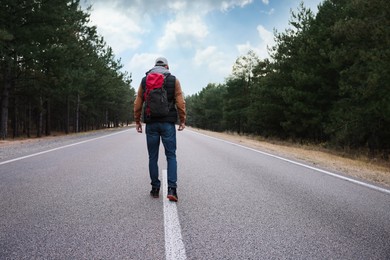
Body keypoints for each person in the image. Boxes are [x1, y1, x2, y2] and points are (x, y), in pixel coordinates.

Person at [133, 57, 186, 202]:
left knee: (152, 157)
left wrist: (137, 121)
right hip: (168, 123)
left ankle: (155, 188)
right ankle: (172, 189)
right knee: (171, 156)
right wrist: (182, 120)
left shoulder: (145, 80)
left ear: (154, 66)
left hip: (151, 123)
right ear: (167, 66)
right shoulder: (173, 80)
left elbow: (138, 102)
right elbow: (180, 102)